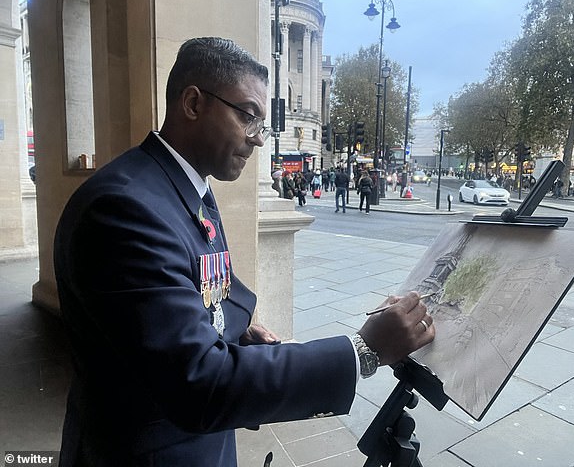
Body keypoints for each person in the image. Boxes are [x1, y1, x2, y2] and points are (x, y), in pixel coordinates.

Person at [53, 37, 435, 467]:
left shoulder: (183, 185)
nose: (256, 140)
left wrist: (238, 333)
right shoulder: (124, 209)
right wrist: (363, 350)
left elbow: (208, 292)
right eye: (248, 116)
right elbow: (200, 384)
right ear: (193, 103)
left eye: (261, 124)